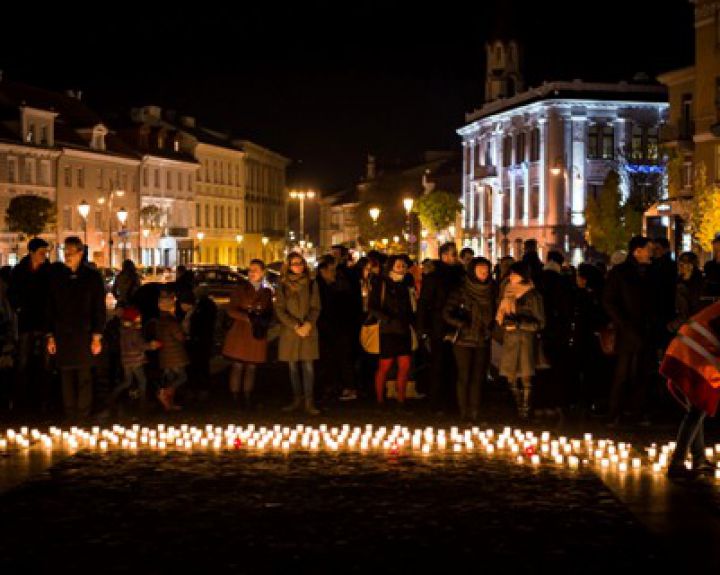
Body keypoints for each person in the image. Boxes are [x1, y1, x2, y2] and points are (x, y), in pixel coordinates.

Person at [46, 236, 106, 421]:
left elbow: (98, 308)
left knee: (84, 375)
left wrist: (97, 336)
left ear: (80, 253)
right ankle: (70, 412)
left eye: (70, 252)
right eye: (65, 252)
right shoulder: (57, 277)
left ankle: (83, 413)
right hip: (63, 333)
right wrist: (51, 335)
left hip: (84, 333)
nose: (67, 256)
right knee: (65, 375)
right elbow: (50, 306)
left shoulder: (92, 278)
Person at [603, 236, 659, 427]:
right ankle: (615, 413)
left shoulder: (650, 272)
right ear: (637, 251)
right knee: (623, 373)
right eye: (648, 249)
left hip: (645, 329)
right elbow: (609, 301)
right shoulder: (620, 273)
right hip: (627, 331)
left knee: (642, 373)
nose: (651, 252)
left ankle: (638, 411)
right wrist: (623, 323)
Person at [661, 301, 720, 479]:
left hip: (687, 351)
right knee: (697, 410)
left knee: (696, 409)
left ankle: (698, 458)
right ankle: (677, 463)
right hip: (693, 356)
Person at [442, 257, 496, 421]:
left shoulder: (492, 290)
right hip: (463, 340)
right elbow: (446, 313)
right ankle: (463, 411)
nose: (484, 274)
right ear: (472, 271)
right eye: (480, 271)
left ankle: (474, 411)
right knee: (464, 375)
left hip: (482, 339)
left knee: (478, 377)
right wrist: (462, 324)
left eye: (486, 271)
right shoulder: (461, 290)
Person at [418, 242, 464, 412]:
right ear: (444, 256)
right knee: (438, 364)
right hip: (438, 325)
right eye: (453, 254)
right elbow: (424, 303)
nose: (456, 257)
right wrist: (423, 328)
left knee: (454, 364)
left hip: (457, 324)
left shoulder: (460, 275)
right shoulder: (434, 277)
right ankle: (436, 401)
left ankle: (452, 400)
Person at [496, 262, 545, 420]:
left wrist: (520, 322)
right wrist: (504, 322)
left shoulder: (533, 295)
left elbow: (540, 322)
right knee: (511, 376)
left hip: (525, 340)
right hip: (510, 339)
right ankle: (518, 405)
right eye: (510, 274)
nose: (511, 277)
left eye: (514, 274)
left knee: (525, 376)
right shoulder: (507, 291)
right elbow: (500, 314)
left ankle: (525, 409)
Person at [223, 259, 273, 410]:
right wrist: (248, 317)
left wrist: (262, 318)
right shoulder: (240, 289)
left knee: (251, 366)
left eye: (255, 270)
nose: (251, 273)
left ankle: (247, 397)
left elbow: (269, 311)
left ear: (263, 272)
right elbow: (231, 309)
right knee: (238, 365)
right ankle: (234, 398)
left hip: (256, 333)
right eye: (250, 270)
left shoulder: (266, 292)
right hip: (240, 333)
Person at [275, 253, 321, 415]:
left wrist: (308, 323)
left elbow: (316, 306)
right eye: (294, 263)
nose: (298, 266)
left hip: (308, 330)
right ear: (288, 265)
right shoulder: (282, 285)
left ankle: (309, 401)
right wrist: (295, 325)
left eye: (300, 263)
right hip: (290, 332)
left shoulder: (311, 283)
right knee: (293, 367)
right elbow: (279, 309)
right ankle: (297, 399)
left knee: (308, 366)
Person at [8, 237, 51, 410]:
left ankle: (44, 399)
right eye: (41, 253)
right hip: (27, 321)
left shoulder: (48, 271)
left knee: (46, 362)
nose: (44, 256)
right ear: (32, 253)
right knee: (23, 360)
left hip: (44, 321)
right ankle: (22, 398)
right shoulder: (19, 271)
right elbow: (12, 293)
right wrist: (18, 307)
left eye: (46, 253)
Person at [370, 255, 415, 406]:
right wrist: (387, 318)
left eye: (403, 265)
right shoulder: (381, 283)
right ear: (390, 267)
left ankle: (400, 399)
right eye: (398, 265)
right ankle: (379, 399)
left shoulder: (408, 284)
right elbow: (372, 306)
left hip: (404, 330)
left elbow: (411, 307)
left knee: (405, 365)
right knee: (385, 366)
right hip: (388, 331)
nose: (401, 268)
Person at [317, 258, 358, 401]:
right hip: (328, 327)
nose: (334, 273)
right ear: (323, 271)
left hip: (339, 327)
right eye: (331, 270)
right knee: (329, 359)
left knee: (341, 358)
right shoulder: (320, 286)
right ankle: (331, 386)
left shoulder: (338, 284)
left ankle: (342, 387)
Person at [107, 306, 157, 415]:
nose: (140, 318)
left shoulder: (123, 330)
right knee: (142, 381)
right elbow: (140, 345)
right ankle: (143, 404)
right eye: (138, 317)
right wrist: (152, 346)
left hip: (126, 360)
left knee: (127, 381)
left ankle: (111, 396)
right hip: (135, 360)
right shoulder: (134, 331)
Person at [150, 290, 187, 411]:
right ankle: (164, 393)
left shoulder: (159, 320)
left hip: (164, 355)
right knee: (181, 377)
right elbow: (180, 337)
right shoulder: (172, 321)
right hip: (174, 355)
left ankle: (168, 403)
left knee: (170, 378)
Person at [181, 289, 217, 402]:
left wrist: (190, 337)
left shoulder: (199, 311)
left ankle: (198, 390)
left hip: (197, 343)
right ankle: (201, 390)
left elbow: (196, 327)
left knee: (197, 367)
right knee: (201, 366)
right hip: (200, 342)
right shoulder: (204, 308)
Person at [667, 251, 704, 334]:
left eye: (682, 265)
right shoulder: (679, 280)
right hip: (688, 323)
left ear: (691, 266)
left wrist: (671, 326)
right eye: (679, 265)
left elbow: (686, 311)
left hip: (686, 325)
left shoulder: (692, 284)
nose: (679, 268)